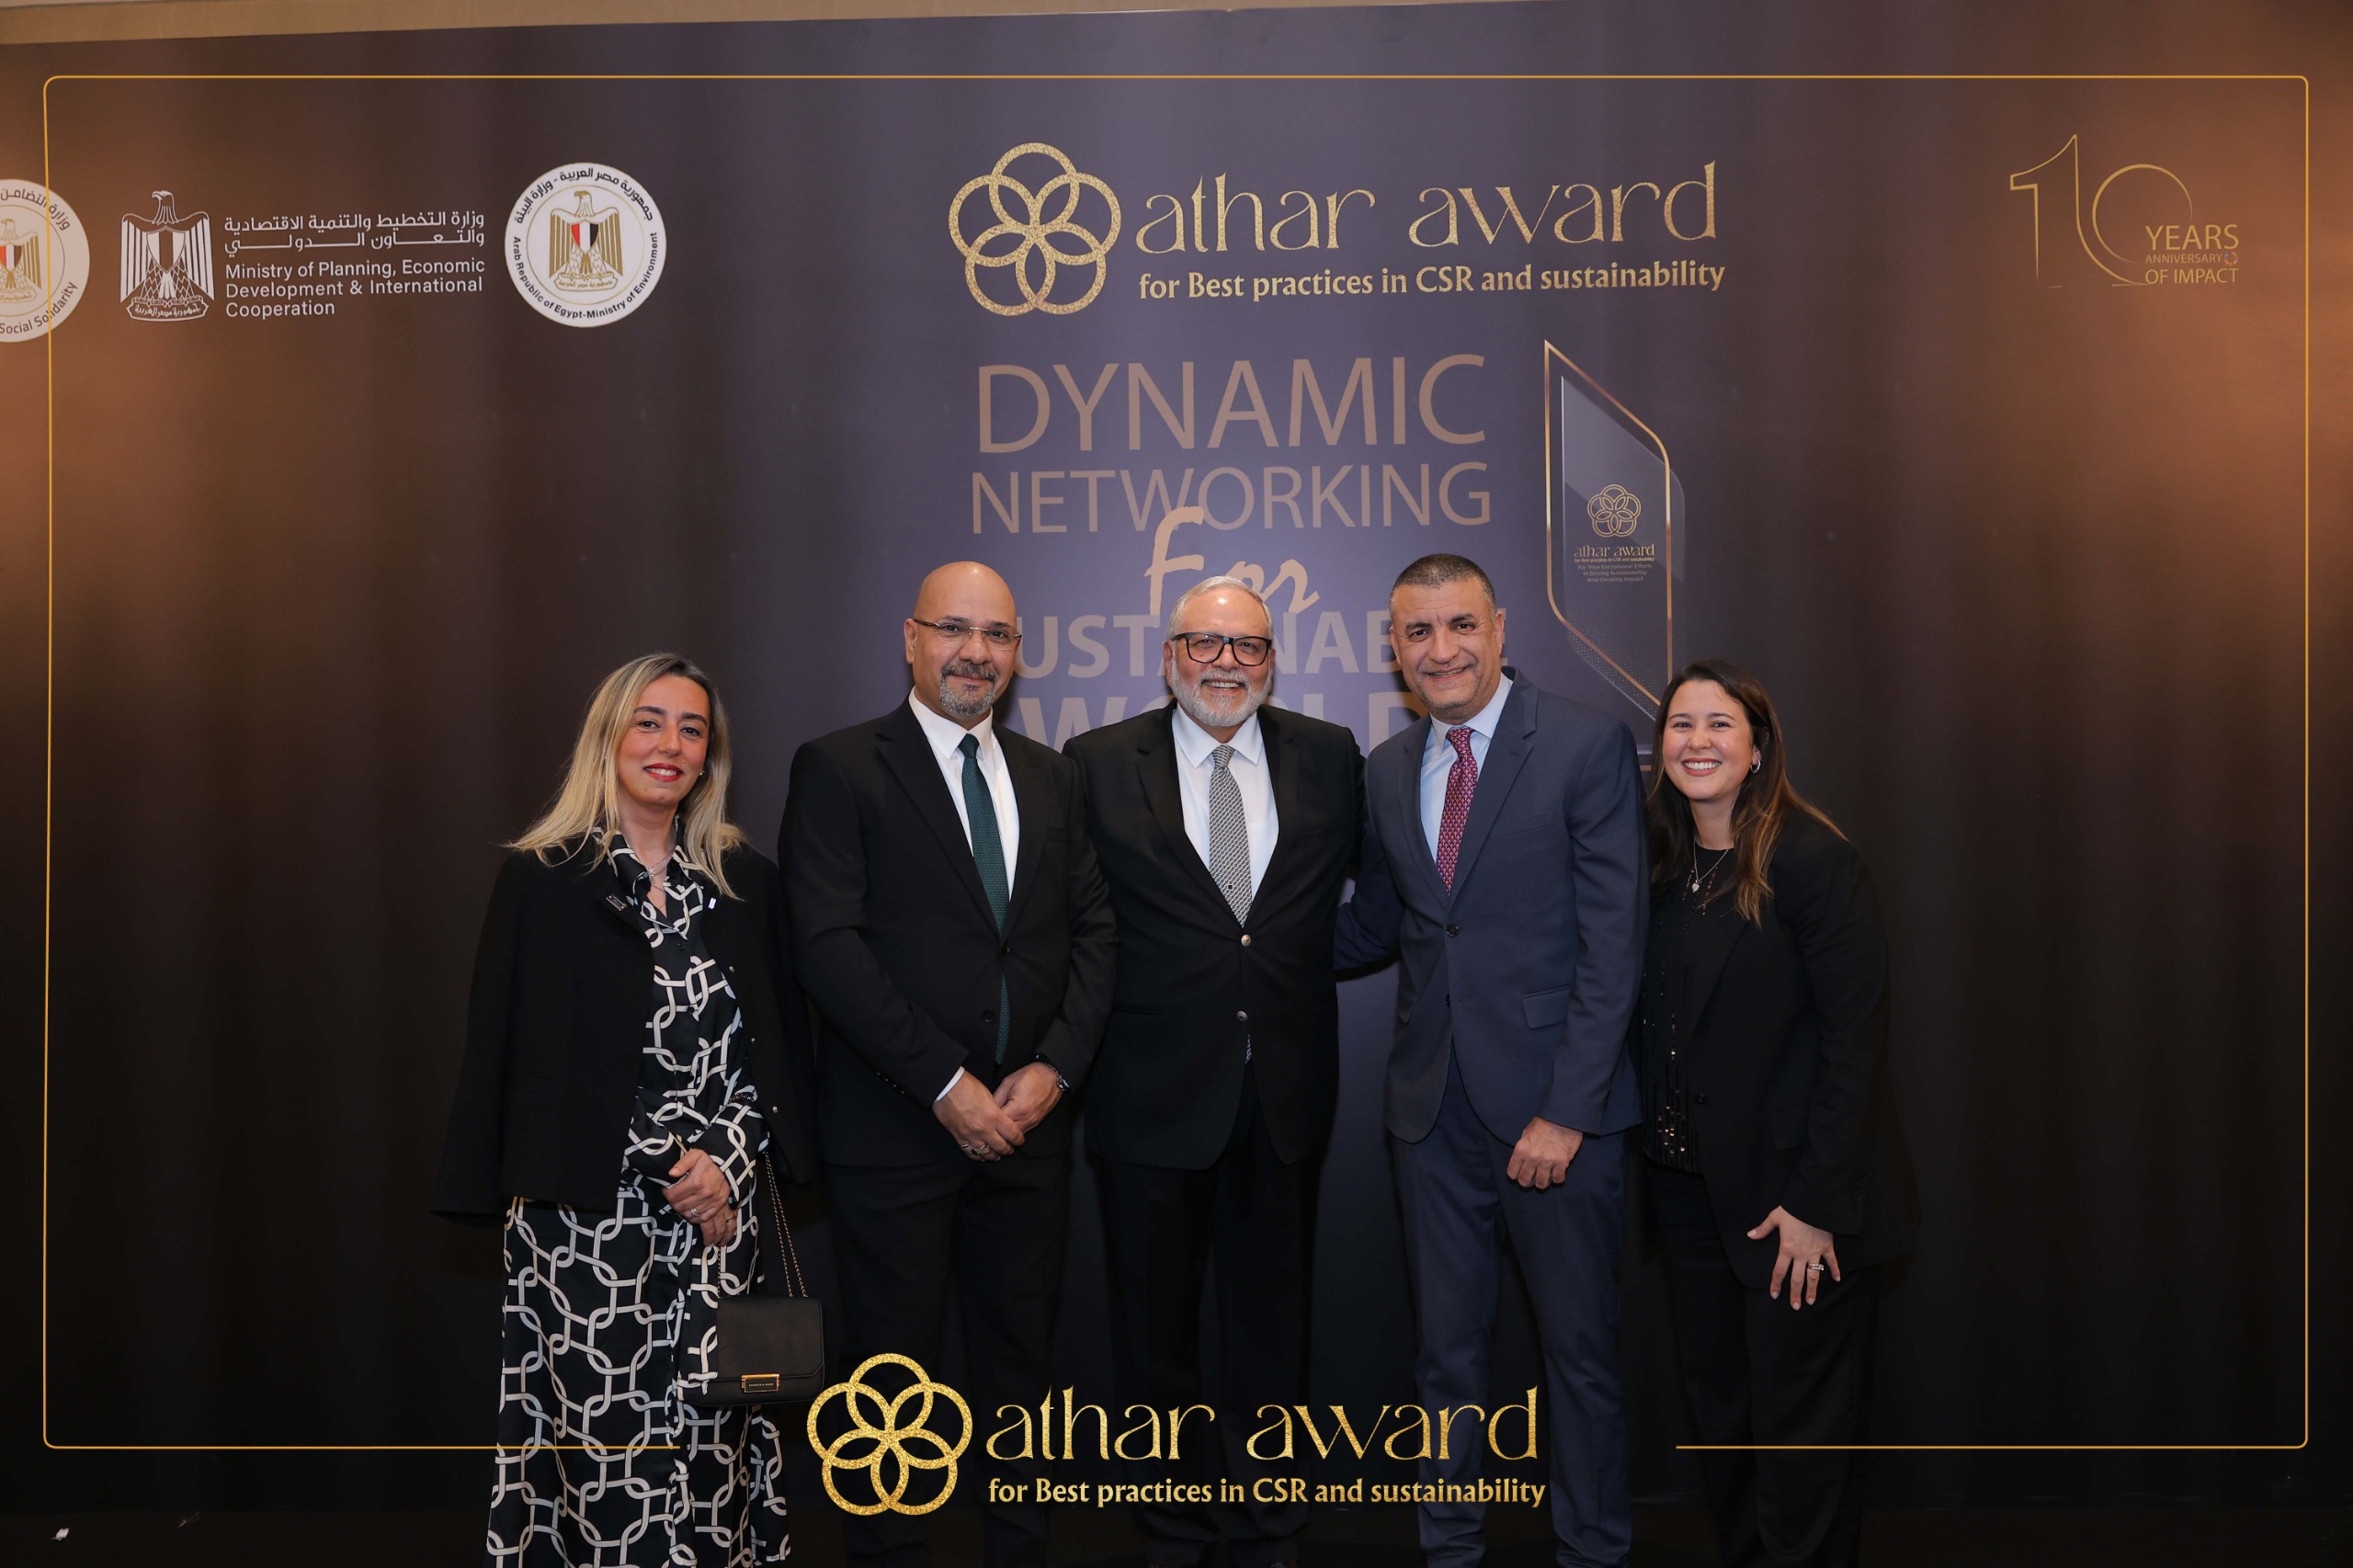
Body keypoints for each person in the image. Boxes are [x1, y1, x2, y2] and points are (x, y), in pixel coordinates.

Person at [432, 653, 816, 1568]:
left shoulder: (744, 882)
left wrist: (722, 1163)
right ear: (608, 737)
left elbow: (774, 1055)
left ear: (709, 756)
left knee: (717, 1445)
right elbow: (526, 1057)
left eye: (691, 728)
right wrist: (670, 1163)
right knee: (603, 1457)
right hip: (583, 1225)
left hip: (719, 1225)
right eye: (649, 722)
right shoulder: (543, 879)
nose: (669, 744)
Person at [780, 562, 1116, 1568]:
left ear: (1019, 652)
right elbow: (828, 947)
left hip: (1029, 1132)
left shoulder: (1054, 776)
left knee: (1023, 1375)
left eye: (997, 635)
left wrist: (1055, 1069)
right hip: (896, 1131)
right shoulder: (840, 766)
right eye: (954, 629)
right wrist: (944, 1082)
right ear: (911, 638)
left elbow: (1094, 933)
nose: (976, 652)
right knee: (889, 1387)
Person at [1336, 552, 1647, 1568]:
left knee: (1580, 1358)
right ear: (1394, 647)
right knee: (1445, 1361)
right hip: (1430, 1117)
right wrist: (1235, 942)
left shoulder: (1586, 744)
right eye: (1418, 632)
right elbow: (1380, 924)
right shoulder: (1387, 768)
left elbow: (1615, 944)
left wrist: (1568, 1110)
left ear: (1501, 629)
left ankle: (1591, 1551)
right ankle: (1450, 1550)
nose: (1442, 650)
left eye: (1460, 625)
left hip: (1558, 1116)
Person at [1064, 576, 1363, 1568]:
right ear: (1169, 656)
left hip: (1284, 1093)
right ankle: (1174, 1528)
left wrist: (1300, 959)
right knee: (1157, 1340)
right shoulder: (1096, 763)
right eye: (1204, 642)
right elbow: (1071, 923)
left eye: (1249, 645)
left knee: (1275, 1333)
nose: (1226, 662)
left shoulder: (1329, 755)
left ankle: (1272, 1523)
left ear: (1273, 661)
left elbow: (1372, 892)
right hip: (1147, 1097)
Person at [1637, 658, 1915, 1568]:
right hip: (1688, 1195)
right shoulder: (1660, 862)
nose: (1698, 742)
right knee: (1723, 1426)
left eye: (1720, 724)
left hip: (1792, 1203)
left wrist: (1816, 1204)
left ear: (1757, 748)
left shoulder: (1812, 859)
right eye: (1681, 724)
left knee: (1801, 1443)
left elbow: (1854, 1044)